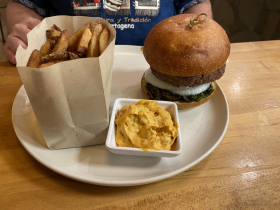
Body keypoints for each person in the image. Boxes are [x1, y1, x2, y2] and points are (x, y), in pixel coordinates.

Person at [4, 0, 212, 65]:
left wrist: (198, 40)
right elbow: (22, 4)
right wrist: (29, 31)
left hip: (162, 63)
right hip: (72, 73)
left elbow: (196, 4)